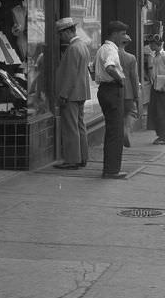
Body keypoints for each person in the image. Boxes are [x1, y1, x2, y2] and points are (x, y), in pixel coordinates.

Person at [53, 17, 91, 169]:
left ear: (68, 32)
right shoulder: (82, 45)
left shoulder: (73, 48)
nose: (60, 37)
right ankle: (82, 157)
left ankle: (72, 160)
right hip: (80, 93)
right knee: (80, 125)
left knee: (70, 128)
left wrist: (63, 94)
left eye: (61, 34)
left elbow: (70, 74)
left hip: (71, 94)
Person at [94, 20, 128, 178]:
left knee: (112, 130)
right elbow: (109, 66)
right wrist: (120, 79)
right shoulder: (111, 50)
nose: (124, 37)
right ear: (114, 34)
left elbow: (92, 68)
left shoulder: (102, 48)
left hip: (104, 90)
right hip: (112, 89)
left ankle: (110, 168)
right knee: (116, 132)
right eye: (122, 34)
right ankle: (112, 170)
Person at [118, 34, 141, 147]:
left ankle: (119, 134)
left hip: (115, 89)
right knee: (132, 112)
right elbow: (134, 77)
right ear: (126, 43)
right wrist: (136, 95)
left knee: (118, 113)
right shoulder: (131, 57)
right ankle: (125, 130)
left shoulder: (112, 54)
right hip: (128, 90)